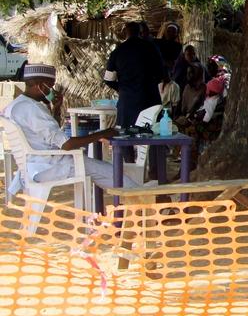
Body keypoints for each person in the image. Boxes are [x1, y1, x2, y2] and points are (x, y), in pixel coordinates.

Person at [3, 63, 136, 199]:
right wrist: (103, 133)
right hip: (49, 166)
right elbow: (66, 145)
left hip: (35, 164)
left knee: (103, 171)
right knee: (112, 173)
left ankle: (130, 199)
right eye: (51, 86)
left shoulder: (17, 105)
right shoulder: (32, 109)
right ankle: (141, 198)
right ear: (41, 87)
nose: (53, 91)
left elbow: (49, 134)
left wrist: (56, 108)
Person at [104, 21, 163, 128]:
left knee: (125, 137)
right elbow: (161, 73)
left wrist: (122, 88)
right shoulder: (151, 48)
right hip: (149, 100)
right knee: (153, 137)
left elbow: (108, 79)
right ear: (140, 32)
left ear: (125, 32)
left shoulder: (118, 51)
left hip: (127, 102)